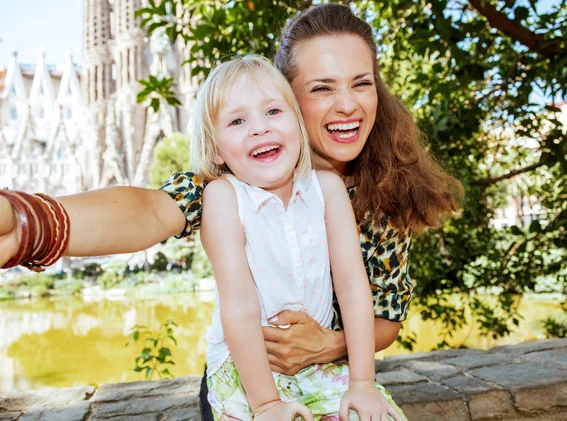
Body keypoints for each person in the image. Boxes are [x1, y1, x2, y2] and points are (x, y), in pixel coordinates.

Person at [0, 2, 461, 418]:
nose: (347, 104)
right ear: (291, 98)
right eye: (322, 88)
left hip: (336, 374)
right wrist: (30, 224)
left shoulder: (381, 189)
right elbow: (150, 211)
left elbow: (385, 315)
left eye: (361, 83)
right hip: (251, 383)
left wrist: (326, 347)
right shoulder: (232, 184)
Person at [193, 53, 407, 420]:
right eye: (238, 120)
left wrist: (362, 384)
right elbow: (240, 306)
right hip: (249, 369)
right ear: (215, 148)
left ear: (297, 123)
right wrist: (267, 405)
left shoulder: (327, 189)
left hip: (322, 364)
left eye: (273, 112)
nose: (259, 128)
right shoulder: (224, 197)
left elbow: (353, 286)